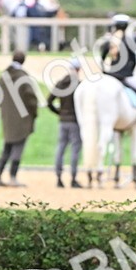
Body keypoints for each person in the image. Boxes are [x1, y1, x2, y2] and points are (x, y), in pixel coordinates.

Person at [0, 50, 40, 187]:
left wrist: (5, 110)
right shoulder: (23, 77)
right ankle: (13, 177)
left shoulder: (3, 77)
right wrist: (34, 113)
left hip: (7, 118)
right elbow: (31, 98)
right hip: (22, 119)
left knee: (7, 147)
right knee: (18, 148)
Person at [101, 14, 136, 124]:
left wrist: (104, 71)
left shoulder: (109, 41)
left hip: (110, 75)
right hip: (125, 76)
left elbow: (102, 58)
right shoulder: (130, 41)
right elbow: (134, 60)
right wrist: (130, 72)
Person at [48, 59, 83, 189]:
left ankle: (58, 177)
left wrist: (59, 113)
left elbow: (49, 102)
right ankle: (73, 178)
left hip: (63, 121)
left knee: (61, 148)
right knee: (75, 149)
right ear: (78, 70)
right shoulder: (79, 85)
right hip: (75, 121)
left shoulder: (60, 84)